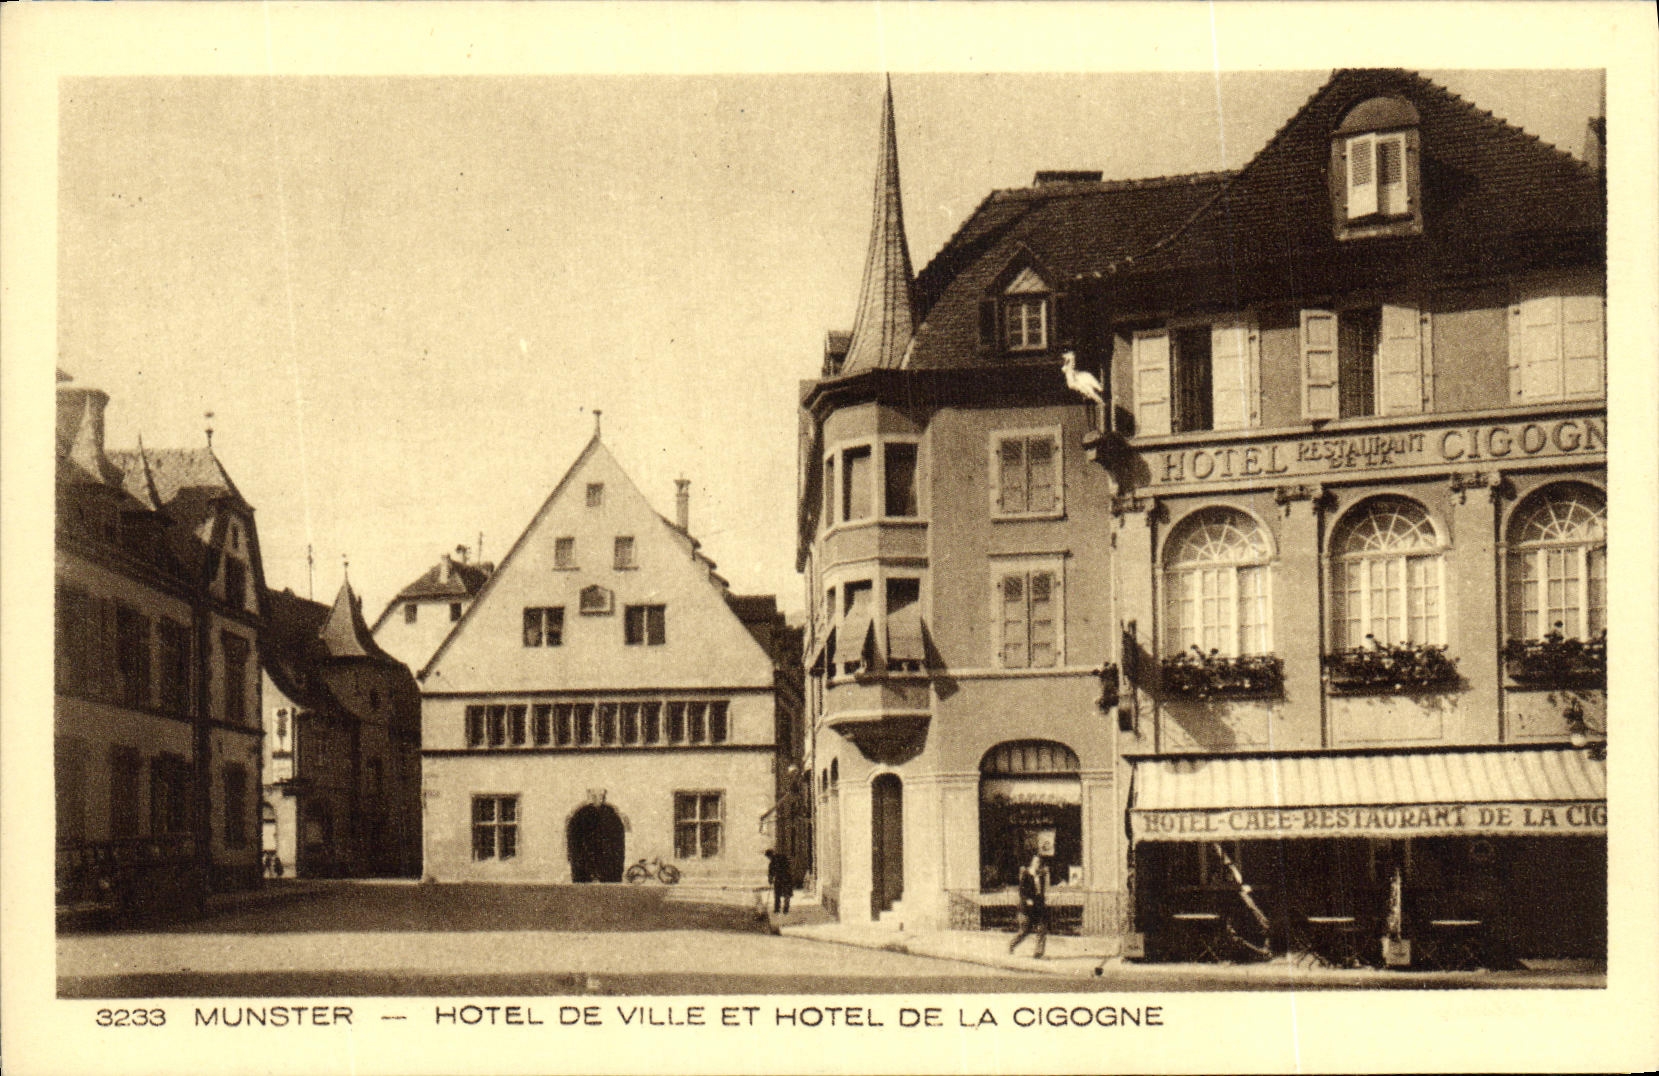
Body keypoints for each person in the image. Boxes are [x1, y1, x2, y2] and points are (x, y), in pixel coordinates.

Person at [1008, 853, 1048, 958]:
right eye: (1036, 862)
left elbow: (1041, 891)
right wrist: (1027, 900)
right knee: (1025, 930)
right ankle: (1012, 944)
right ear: (1032, 863)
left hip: (1038, 906)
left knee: (1042, 928)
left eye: (1039, 862)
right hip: (1026, 908)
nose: (1038, 864)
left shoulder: (1041, 876)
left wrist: (1042, 901)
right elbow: (1021, 891)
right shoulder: (1026, 874)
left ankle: (1038, 953)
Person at [765, 849, 792, 915]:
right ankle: (786, 909)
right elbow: (789, 864)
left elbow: (771, 873)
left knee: (778, 894)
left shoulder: (772, 863)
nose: (769, 858)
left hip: (779, 878)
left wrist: (770, 880)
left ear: (770, 855)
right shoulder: (782, 857)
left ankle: (777, 909)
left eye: (768, 857)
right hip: (787, 877)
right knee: (786, 894)